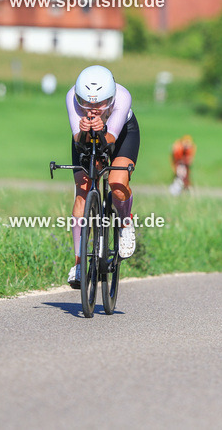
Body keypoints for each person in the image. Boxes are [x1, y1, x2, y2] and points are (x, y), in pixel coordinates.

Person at [66, 65, 140, 289]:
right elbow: (79, 140)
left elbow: (110, 139)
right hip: (85, 135)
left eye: (98, 104)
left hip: (121, 133)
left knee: (117, 183)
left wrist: (101, 128)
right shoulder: (71, 97)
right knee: (82, 191)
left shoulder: (122, 97)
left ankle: (125, 222)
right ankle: (79, 264)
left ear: (110, 98)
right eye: (86, 103)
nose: (92, 108)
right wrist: (86, 131)